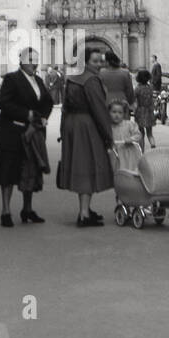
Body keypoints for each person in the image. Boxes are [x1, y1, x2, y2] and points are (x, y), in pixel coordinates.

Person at [0, 48, 53, 226]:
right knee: (8, 172)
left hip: (32, 134)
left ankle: (27, 209)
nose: (34, 63)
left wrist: (42, 117)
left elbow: (48, 102)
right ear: (22, 61)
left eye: (36, 60)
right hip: (11, 133)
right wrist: (26, 114)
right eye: (30, 60)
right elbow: (4, 103)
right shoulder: (12, 79)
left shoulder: (39, 81)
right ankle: (6, 211)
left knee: (30, 171)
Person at [60, 46, 114, 226]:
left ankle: (85, 209)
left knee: (81, 166)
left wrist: (63, 130)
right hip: (87, 126)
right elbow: (99, 109)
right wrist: (108, 136)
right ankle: (83, 214)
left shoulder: (72, 79)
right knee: (87, 166)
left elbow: (65, 107)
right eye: (95, 61)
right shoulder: (91, 80)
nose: (99, 64)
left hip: (72, 124)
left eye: (101, 60)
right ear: (86, 62)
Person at [108, 97, 141, 172]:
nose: (117, 115)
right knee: (115, 170)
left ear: (124, 114)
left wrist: (131, 139)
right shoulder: (108, 127)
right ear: (109, 112)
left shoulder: (129, 124)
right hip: (114, 153)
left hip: (128, 153)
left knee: (128, 170)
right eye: (114, 112)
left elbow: (138, 135)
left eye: (120, 113)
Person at [133, 68, 156, 149]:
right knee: (150, 133)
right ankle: (152, 144)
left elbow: (133, 98)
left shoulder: (137, 89)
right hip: (149, 111)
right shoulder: (150, 88)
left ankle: (141, 150)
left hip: (140, 111)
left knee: (141, 133)